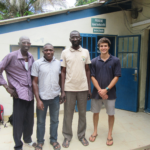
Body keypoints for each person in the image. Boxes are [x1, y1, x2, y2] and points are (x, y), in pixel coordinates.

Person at [0, 36, 36, 150]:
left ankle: (28, 139)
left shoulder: (31, 57)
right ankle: (18, 144)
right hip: (18, 93)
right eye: (23, 42)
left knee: (29, 119)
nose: (26, 44)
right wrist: (7, 87)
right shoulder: (11, 56)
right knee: (18, 120)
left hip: (30, 93)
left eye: (28, 42)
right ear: (19, 44)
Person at [61, 30, 91, 148]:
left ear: (80, 39)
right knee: (68, 115)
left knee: (82, 114)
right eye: (72, 37)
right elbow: (62, 72)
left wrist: (89, 89)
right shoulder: (65, 52)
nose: (75, 39)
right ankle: (67, 137)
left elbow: (87, 70)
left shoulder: (85, 52)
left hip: (83, 88)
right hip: (69, 89)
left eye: (77, 37)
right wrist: (63, 91)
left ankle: (81, 136)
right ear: (70, 39)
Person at [89, 37, 121, 146]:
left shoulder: (115, 60)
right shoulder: (94, 61)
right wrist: (100, 91)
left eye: (105, 46)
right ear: (99, 47)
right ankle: (95, 131)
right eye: (101, 46)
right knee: (95, 112)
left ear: (109, 47)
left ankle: (110, 134)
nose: (103, 48)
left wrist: (106, 90)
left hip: (110, 93)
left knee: (111, 114)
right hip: (97, 93)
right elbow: (92, 77)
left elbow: (116, 76)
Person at [32, 43, 61, 150]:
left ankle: (53, 140)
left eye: (50, 50)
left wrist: (62, 93)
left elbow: (61, 79)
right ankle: (40, 141)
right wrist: (38, 99)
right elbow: (34, 83)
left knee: (55, 120)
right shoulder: (37, 63)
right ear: (43, 51)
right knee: (40, 121)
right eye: (46, 50)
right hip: (42, 99)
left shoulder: (58, 63)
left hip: (55, 97)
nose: (48, 52)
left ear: (53, 51)